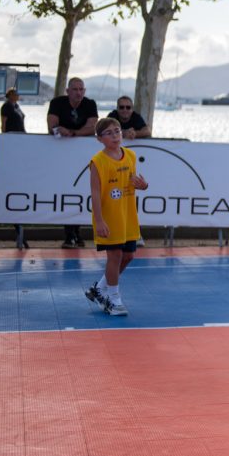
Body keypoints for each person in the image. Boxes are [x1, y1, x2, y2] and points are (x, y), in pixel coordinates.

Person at [84, 118, 148, 316]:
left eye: (117, 131)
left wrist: (143, 185)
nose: (115, 135)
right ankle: (114, 299)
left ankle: (99, 289)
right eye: (109, 133)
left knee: (129, 255)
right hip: (109, 216)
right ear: (99, 139)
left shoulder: (130, 155)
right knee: (115, 255)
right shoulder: (97, 162)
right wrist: (99, 220)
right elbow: (95, 193)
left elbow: (133, 182)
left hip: (127, 214)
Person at [47, 77, 99, 248]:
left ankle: (76, 232)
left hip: (82, 155)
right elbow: (52, 126)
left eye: (81, 89)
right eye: (75, 89)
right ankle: (70, 234)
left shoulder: (90, 104)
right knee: (66, 191)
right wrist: (60, 130)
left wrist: (73, 132)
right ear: (68, 91)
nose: (78, 92)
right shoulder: (57, 103)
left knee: (81, 192)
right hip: (60, 156)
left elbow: (93, 127)